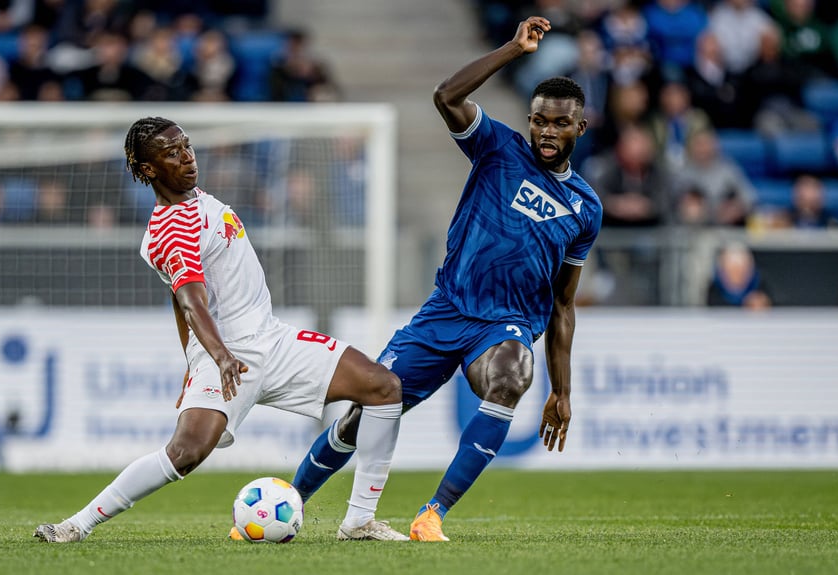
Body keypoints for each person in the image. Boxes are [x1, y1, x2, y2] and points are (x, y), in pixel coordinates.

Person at [286, 16, 602, 542]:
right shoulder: (500, 149)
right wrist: (512, 50)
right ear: (530, 120)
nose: (548, 132)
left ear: (579, 128)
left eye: (560, 124)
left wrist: (562, 391)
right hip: (445, 310)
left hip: (504, 323)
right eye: (541, 121)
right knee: (364, 415)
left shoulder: (585, 208)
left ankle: (432, 514)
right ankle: (289, 504)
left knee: (510, 377)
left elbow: (563, 305)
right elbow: (446, 95)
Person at [33, 117, 408, 543]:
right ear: (149, 169)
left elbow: (179, 304)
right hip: (226, 355)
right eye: (171, 153)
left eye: (186, 146)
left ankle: (359, 520)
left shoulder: (199, 201)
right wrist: (216, 357)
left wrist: (189, 360)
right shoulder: (173, 229)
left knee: (383, 388)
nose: (187, 157)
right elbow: (192, 303)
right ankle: (76, 525)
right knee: (185, 453)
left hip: (273, 339)